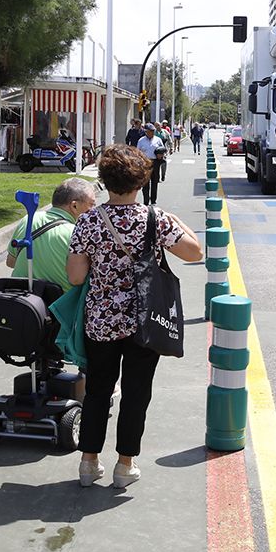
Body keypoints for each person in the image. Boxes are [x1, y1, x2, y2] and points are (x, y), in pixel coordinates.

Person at [66, 145, 203, 489]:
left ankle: (88, 462)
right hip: (146, 322)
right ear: (143, 179)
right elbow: (194, 252)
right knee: (136, 391)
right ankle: (125, 464)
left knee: (98, 390)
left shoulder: (88, 221)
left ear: (105, 181)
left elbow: (76, 277)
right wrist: (171, 219)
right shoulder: (155, 220)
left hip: (101, 321)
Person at [7, 177, 96, 291]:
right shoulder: (78, 234)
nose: (94, 210)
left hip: (22, 303)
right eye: (92, 204)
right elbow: (80, 279)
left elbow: (11, 262)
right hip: (59, 306)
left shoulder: (29, 219)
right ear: (74, 206)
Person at [135, 123, 163, 204]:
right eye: (150, 131)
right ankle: (146, 201)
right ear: (146, 132)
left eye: (153, 131)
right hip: (145, 163)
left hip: (155, 162)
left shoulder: (158, 140)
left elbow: (163, 149)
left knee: (155, 182)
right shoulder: (141, 141)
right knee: (145, 183)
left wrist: (161, 155)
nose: (152, 133)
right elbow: (138, 152)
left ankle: (153, 200)